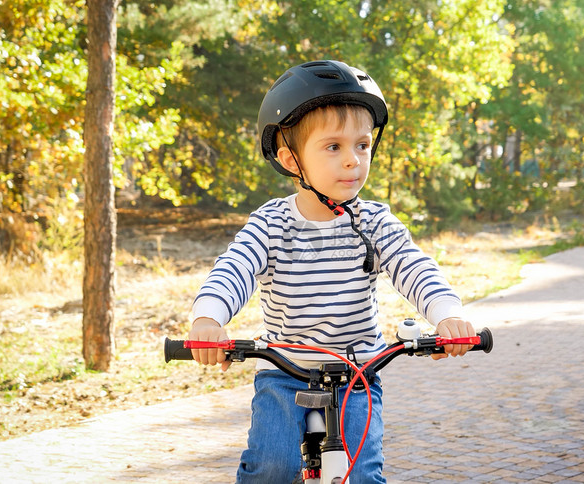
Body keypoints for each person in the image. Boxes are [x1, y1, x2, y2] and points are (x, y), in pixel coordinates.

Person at [189, 59, 477, 484]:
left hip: (357, 376)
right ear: (291, 159)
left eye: (362, 145)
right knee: (271, 467)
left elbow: (413, 266)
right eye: (333, 147)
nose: (353, 161)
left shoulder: (375, 221)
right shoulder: (271, 223)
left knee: (361, 474)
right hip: (284, 373)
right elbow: (235, 268)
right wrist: (208, 319)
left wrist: (447, 315)